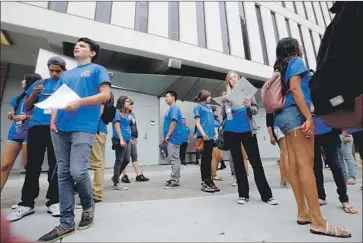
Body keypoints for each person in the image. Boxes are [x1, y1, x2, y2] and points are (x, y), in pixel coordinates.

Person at [273, 37, 351, 238]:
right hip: (296, 114)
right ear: (295, 49)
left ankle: (303, 212)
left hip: (282, 116)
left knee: (295, 164)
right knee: (306, 165)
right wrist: (308, 116)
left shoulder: (281, 67)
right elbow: (296, 89)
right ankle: (318, 221)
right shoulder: (296, 61)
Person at [38, 37, 111, 242]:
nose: (77, 47)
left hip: (83, 127)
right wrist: (52, 122)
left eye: (83, 46)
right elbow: (57, 100)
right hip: (60, 127)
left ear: (92, 52)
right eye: (76, 45)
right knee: (63, 173)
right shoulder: (66, 74)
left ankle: (88, 206)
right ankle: (66, 222)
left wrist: (79, 102)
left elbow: (105, 95)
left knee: (77, 170)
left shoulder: (97, 70)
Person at [8, 57, 66, 222]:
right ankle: (26, 203)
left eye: (58, 71)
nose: (54, 74)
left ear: (63, 70)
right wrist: (33, 94)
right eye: (52, 70)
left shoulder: (66, 84)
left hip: (57, 128)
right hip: (37, 126)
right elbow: (27, 107)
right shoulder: (39, 83)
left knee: (55, 165)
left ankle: (54, 201)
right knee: (33, 165)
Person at [223, 71, 277, 205]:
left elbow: (255, 110)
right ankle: (243, 195)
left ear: (239, 79)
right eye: (230, 78)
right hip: (232, 131)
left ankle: (267, 195)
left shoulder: (248, 93)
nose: (233, 79)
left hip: (247, 130)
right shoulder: (226, 96)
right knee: (238, 163)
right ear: (228, 82)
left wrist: (248, 105)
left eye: (235, 77)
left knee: (256, 162)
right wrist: (226, 107)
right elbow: (224, 116)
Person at [1, 73, 42, 192]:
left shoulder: (40, 97)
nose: (22, 81)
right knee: (4, 166)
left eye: (24, 80)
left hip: (31, 134)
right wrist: (11, 115)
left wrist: (26, 118)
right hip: (15, 133)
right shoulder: (19, 97)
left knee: (28, 167)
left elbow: (43, 117)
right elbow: (12, 112)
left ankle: (27, 200)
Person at [312, 114, 357, 214]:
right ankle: (321, 196)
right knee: (316, 166)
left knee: (335, 165)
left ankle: (344, 199)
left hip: (329, 130)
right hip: (311, 132)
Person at [194, 90, 219, 193]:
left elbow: (212, 122)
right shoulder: (198, 107)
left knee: (209, 159)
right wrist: (203, 133)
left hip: (210, 137)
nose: (210, 98)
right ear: (204, 96)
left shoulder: (209, 108)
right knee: (205, 160)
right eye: (209, 96)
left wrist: (215, 132)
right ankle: (205, 181)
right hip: (204, 137)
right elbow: (197, 123)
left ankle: (210, 181)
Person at [121, 102, 149, 183]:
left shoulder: (132, 114)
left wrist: (135, 136)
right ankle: (124, 176)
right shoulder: (123, 114)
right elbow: (124, 127)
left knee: (134, 155)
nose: (131, 106)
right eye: (130, 104)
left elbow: (134, 126)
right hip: (126, 138)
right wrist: (129, 138)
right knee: (124, 157)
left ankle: (139, 175)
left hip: (132, 137)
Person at [162, 91, 183, 189]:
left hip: (173, 137)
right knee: (173, 158)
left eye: (167, 96)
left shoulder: (174, 108)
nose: (165, 98)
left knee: (174, 159)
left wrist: (168, 135)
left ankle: (175, 181)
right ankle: (174, 178)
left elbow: (174, 122)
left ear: (173, 97)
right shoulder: (170, 109)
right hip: (171, 137)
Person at [111, 96, 133, 190]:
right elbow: (117, 125)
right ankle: (116, 182)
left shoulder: (126, 113)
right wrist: (121, 139)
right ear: (122, 102)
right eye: (127, 101)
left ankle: (115, 177)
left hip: (127, 139)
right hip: (120, 139)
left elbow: (126, 127)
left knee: (127, 159)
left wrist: (130, 138)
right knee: (119, 160)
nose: (129, 103)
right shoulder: (117, 112)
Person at [266, 113, 289, 188]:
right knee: (286, 154)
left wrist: (272, 136)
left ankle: (284, 180)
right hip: (281, 128)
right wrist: (271, 136)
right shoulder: (273, 104)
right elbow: (269, 122)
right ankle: (288, 180)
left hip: (281, 128)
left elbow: (268, 121)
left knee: (284, 154)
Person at [211, 106, 224, 181]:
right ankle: (214, 175)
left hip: (219, 141)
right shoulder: (210, 120)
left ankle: (213, 170)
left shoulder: (217, 120)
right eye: (216, 111)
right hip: (214, 140)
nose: (217, 112)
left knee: (220, 157)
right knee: (215, 157)